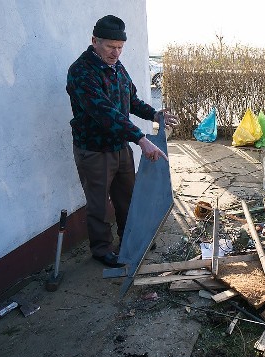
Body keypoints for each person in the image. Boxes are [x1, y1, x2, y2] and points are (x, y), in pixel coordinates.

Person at [66, 15, 178, 267]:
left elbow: (132, 101)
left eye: (120, 47)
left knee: (127, 196)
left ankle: (132, 239)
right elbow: (105, 112)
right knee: (98, 203)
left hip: (120, 145)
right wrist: (139, 138)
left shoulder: (118, 68)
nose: (116, 53)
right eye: (110, 47)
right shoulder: (81, 72)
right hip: (94, 149)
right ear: (95, 41)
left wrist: (154, 114)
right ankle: (101, 250)